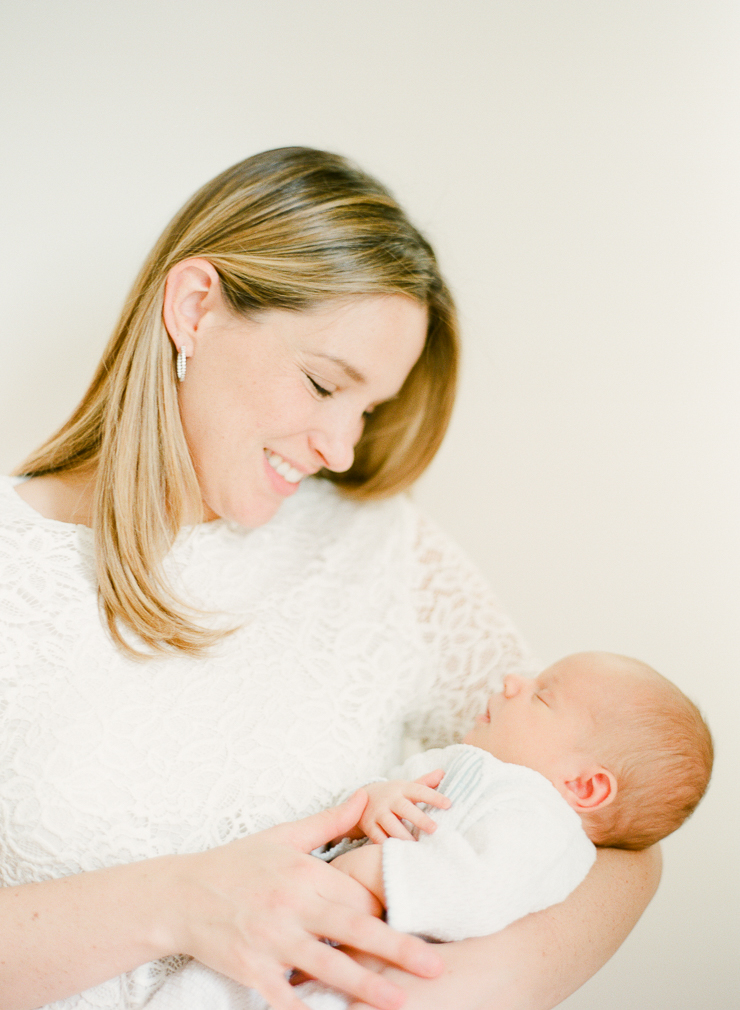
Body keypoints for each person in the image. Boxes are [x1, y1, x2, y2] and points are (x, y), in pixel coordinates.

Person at [0, 147, 661, 1010]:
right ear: (195, 308)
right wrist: (174, 903)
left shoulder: (381, 548)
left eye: (368, 409)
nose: (342, 450)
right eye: (322, 384)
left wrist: (476, 987)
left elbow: (618, 813)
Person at [135, 651, 712, 1010]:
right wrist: (379, 798)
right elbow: (390, 790)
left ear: (584, 786)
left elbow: (481, 891)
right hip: (298, 926)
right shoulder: (464, 764)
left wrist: (376, 871)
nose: (514, 680)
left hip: (363, 963)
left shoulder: (546, 827)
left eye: (542, 695)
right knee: (211, 984)